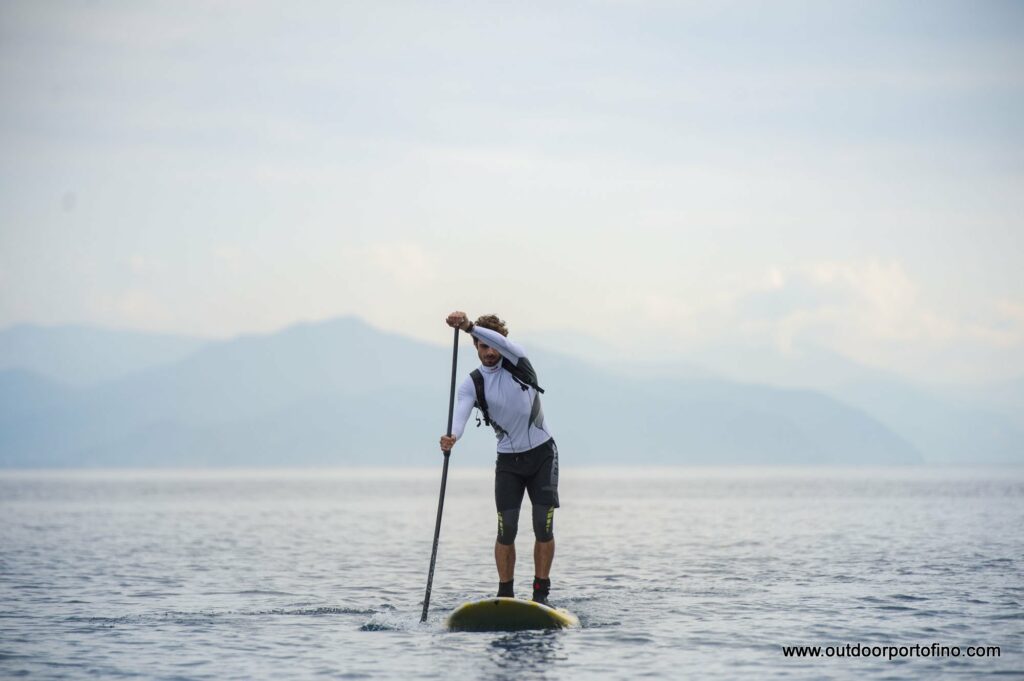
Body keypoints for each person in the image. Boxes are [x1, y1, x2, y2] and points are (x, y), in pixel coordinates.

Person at [439, 311, 560, 605]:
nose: (489, 352)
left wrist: (470, 327)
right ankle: (505, 594)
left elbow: (495, 341)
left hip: (542, 455)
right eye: (482, 346)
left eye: (492, 345)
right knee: (506, 530)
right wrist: (452, 437)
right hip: (508, 463)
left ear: (502, 344)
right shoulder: (473, 383)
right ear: (476, 348)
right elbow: (460, 415)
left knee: (542, 526)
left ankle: (540, 594)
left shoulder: (519, 361)